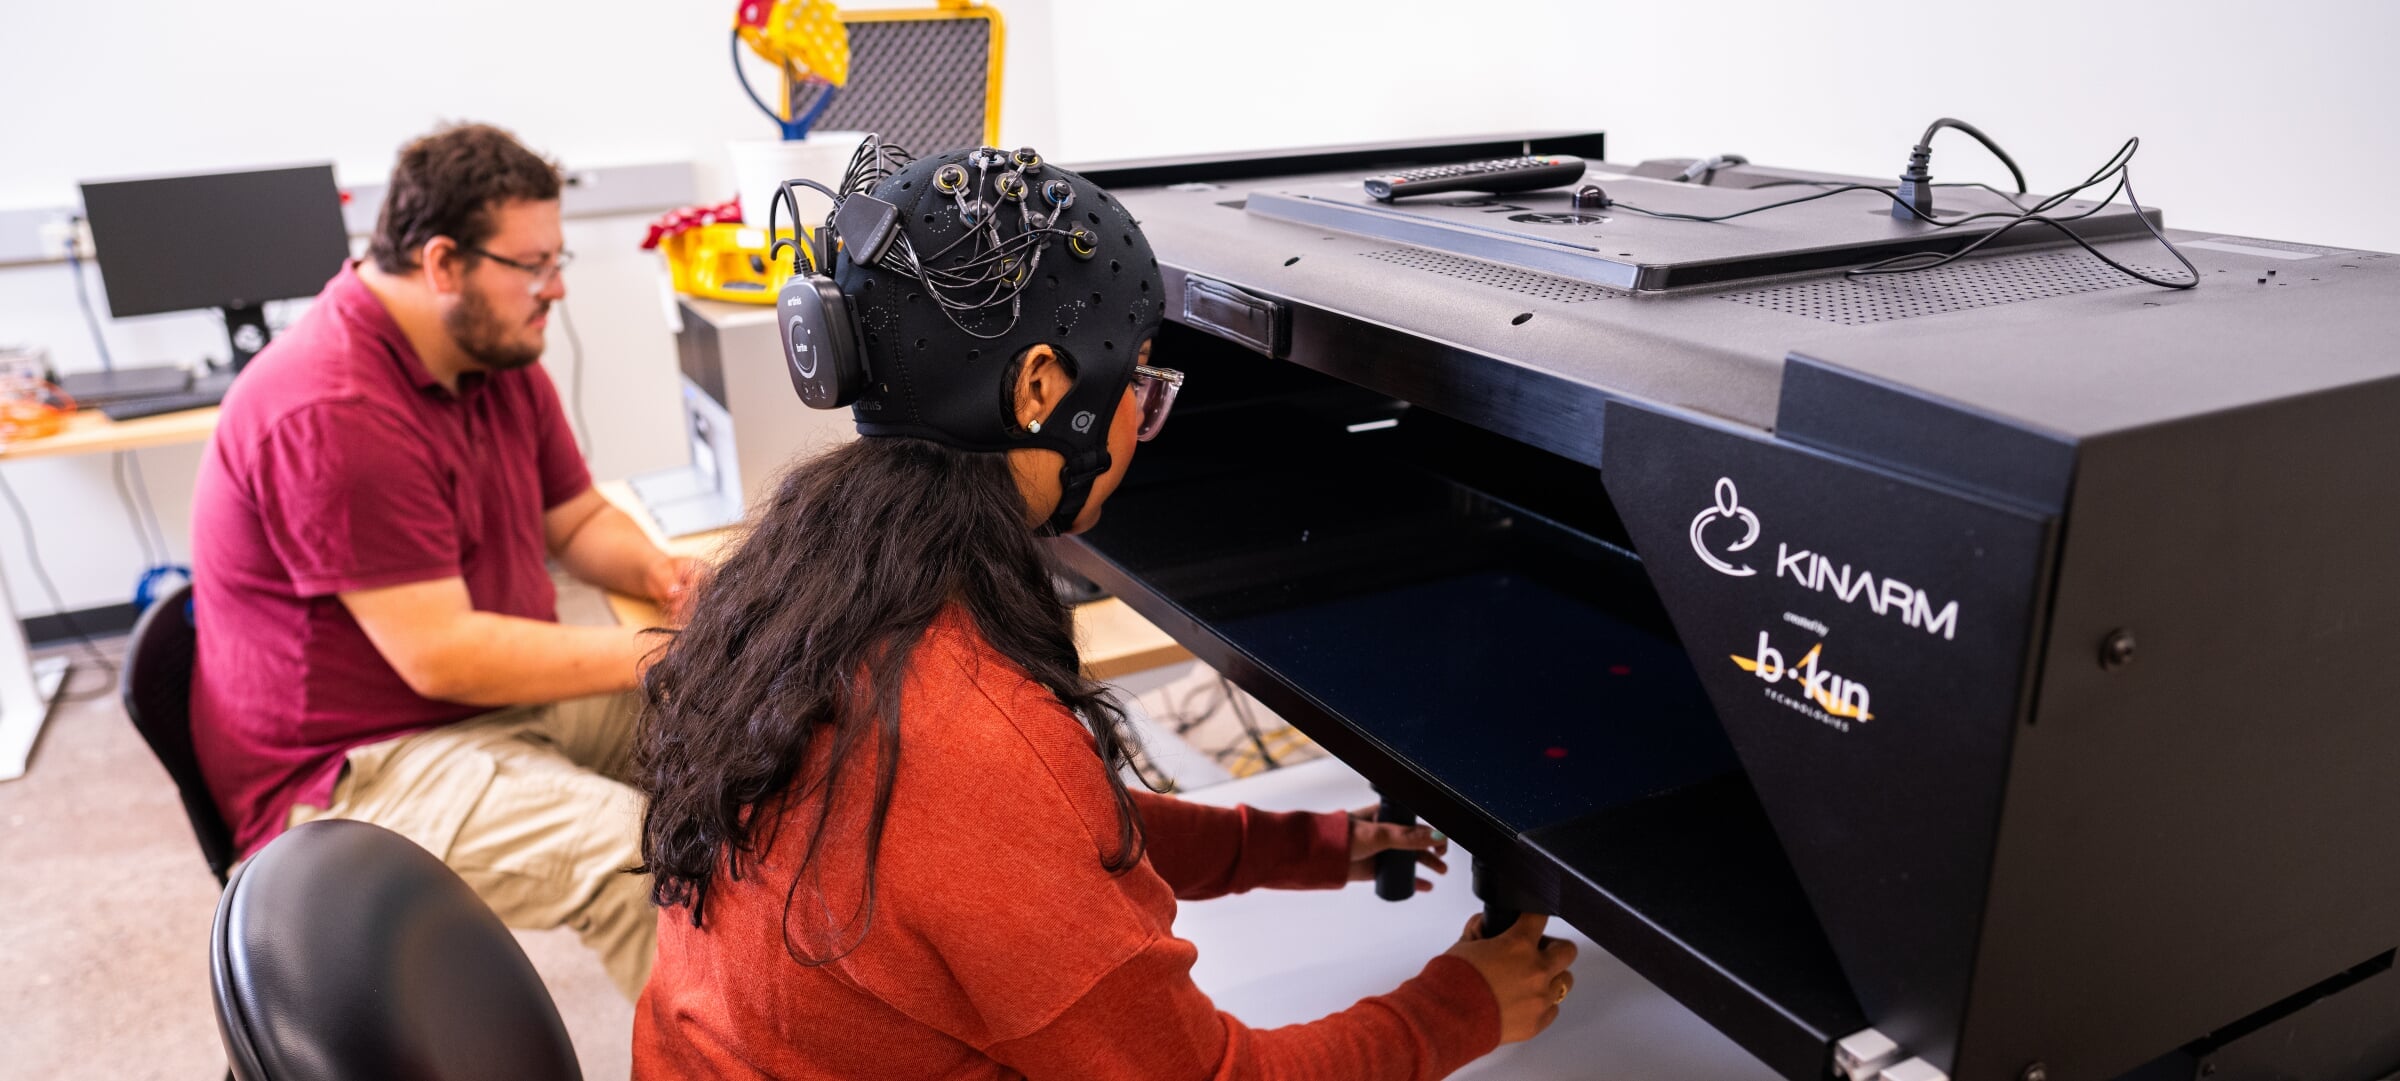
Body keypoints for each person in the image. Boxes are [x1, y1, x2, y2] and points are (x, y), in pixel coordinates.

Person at [631, 143, 1576, 1078]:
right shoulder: (973, 736)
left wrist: (1306, 845)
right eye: (1141, 379)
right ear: (1042, 386)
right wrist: (1466, 1004)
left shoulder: (795, 590)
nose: (1141, 419)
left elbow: (1032, 851)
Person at [190, 122, 701, 1000]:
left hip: (482, 707)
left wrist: (664, 574)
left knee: (743, 717)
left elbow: (575, 519)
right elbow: (441, 653)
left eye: (559, 256)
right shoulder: (330, 408)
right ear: (441, 264)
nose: (559, 287)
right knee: (636, 857)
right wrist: (668, 644)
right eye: (534, 264)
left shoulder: (491, 350)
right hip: (358, 769)